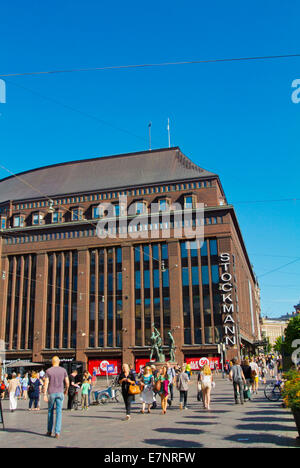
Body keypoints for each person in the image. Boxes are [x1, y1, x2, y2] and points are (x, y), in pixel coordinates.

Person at [43, 356, 69, 439]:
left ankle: (49, 431)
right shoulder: (63, 370)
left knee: (50, 412)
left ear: (52, 362)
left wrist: (44, 394)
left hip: (52, 393)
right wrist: (66, 390)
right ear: (59, 362)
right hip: (60, 393)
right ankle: (57, 432)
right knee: (59, 412)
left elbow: (46, 383)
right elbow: (67, 382)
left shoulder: (48, 371)